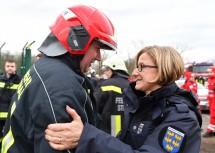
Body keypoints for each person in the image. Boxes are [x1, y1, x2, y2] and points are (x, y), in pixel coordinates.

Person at [1, 4, 117, 153]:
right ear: (78, 40)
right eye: (97, 48)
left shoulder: (44, 68)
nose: (99, 57)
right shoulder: (61, 84)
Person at [45, 45, 202, 153]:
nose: (134, 73)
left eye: (141, 67)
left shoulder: (181, 117)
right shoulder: (142, 104)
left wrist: (86, 137)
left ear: (163, 69)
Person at [94, 54, 131, 136]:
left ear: (114, 69)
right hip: (126, 136)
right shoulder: (132, 86)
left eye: (106, 69)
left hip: (105, 135)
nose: (105, 72)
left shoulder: (105, 85)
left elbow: (93, 107)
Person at [0, 59, 22, 149]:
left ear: (15, 68)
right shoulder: (0, 79)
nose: (10, 68)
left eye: (12, 66)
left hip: (12, 116)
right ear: (5, 67)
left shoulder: (20, 80)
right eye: (8, 66)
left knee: (10, 138)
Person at [202, 66, 215, 137]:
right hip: (210, 100)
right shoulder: (209, 80)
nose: (209, 73)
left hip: (214, 101)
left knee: (213, 115)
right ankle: (212, 130)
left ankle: (210, 131)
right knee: (212, 115)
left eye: (211, 72)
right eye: (208, 72)